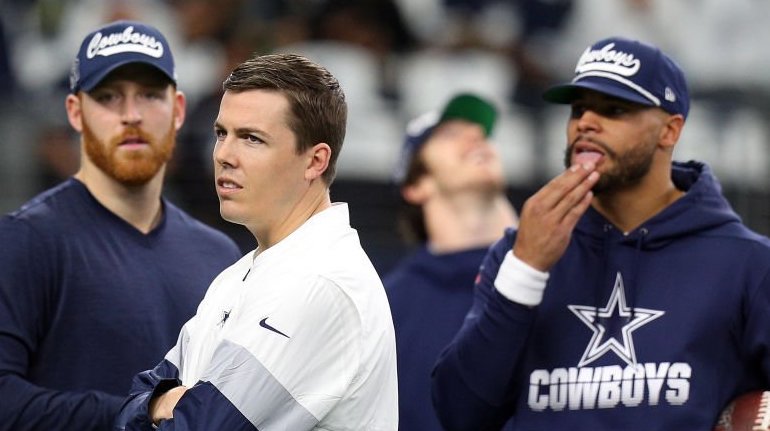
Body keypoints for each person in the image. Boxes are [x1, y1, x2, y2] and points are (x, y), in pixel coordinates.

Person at [431, 36, 770, 430]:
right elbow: (459, 413)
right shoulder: (521, 249)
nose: (586, 123)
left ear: (670, 131)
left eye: (614, 109)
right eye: (578, 109)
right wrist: (526, 270)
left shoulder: (746, 263)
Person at [114, 52, 398, 431]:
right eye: (221, 133)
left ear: (315, 161)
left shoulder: (322, 282)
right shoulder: (237, 276)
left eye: (251, 138)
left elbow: (198, 426)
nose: (224, 155)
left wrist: (162, 406)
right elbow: (132, 403)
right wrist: (160, 404)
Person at [0, 20, 242, 431]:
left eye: (149, 95)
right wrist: (137, 411)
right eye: (109, 97)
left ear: (178, 109)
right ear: (75, 112)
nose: (131, 115)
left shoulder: (220, 257)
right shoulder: (25, 240)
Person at [383, 93, 518, 430]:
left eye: (481, 133)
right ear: (416, 185)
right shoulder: (387, 308)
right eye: (450, 134)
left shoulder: (560, 267)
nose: (476, 136)